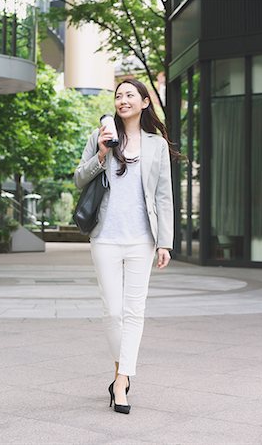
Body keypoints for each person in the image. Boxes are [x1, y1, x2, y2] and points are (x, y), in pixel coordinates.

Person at [74, 79, 174, 414]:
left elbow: (164, 195)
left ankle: (121, 381)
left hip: (142, 238)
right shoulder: (101, 135)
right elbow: (78, 178)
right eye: (118, 96)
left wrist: (165, 242)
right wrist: (102, 153)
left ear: (145, 102)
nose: (122, 100)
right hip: (104, 236)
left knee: (135, 311)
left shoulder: (156, 144)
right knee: (113, 311)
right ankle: (122, 369)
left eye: (130, 95)